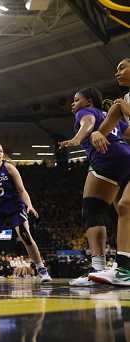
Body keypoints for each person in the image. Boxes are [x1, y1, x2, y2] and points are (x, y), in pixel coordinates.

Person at [59, 87, 129, 286]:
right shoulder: (109, 114)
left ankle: (98, 269)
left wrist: (77, 139)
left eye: (76, 99)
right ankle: (123, 264)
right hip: (126, 157)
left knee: (92, 210)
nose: (73, 104)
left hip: (107, 160)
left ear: (88, 102)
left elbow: (87, 124)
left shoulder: (86, 112)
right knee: (124, 212)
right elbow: (128, 132)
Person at [0, 141, 52, 284]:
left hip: (14, 206)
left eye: (1, 151)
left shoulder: (9, 168)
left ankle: (41, 269)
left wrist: (29, 205)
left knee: (25, 236)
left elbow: (22, 190)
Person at [85, 59, 130, 286]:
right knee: (124, 206)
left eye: (122, 67)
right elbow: (101, 132)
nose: (117, 72)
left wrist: (123, 108)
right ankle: (124, 268)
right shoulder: (123, 102)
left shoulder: (124, 103)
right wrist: (96, 134)